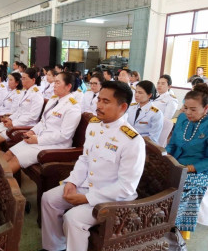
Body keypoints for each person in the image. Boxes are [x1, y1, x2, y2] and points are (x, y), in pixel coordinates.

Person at [41, 81, 146, 251]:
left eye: (106, 102)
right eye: (99, 100)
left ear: (123, 107)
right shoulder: (95, 124)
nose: (99, 105)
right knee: (49, 199)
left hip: (112, 198)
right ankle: (54, 247)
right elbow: (85, 159)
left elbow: (126, 187)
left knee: (74, 218)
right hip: (86, 186)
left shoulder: (132, 140)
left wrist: (87, 198)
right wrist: (72, 182)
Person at [3, 72, 82, 173]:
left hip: (56, 146)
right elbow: (43, 121)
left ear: (68, 86)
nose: (54, 85)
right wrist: (32, 131)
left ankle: (0, 185)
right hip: (40, 138)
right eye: (54, 82)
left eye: (57, 83)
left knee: (16, 159)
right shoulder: (53, 100)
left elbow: (64, 135)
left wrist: (38, 140)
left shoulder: (72, 107)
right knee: (9, 153)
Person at [166, 83, 208, 237]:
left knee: (186, 186)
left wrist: (190, 168)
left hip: (199, 170)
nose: (188, 113)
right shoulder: (182, 118)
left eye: (193, 109)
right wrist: (167, 156)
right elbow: (172, 144)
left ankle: (178, 230)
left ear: (206, 108)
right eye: (186, 108)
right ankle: (157, 224)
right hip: (177, 163)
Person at [0, 68, 44, 151]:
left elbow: (33, 117)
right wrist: (10, 119)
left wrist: (13, 122)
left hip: (24, 126)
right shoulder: (26, 91)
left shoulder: (36, 94)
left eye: (24, 79)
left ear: (33, 80)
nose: (22, 81)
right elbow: (19, 111)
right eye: (22, 78)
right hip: (16, 122)